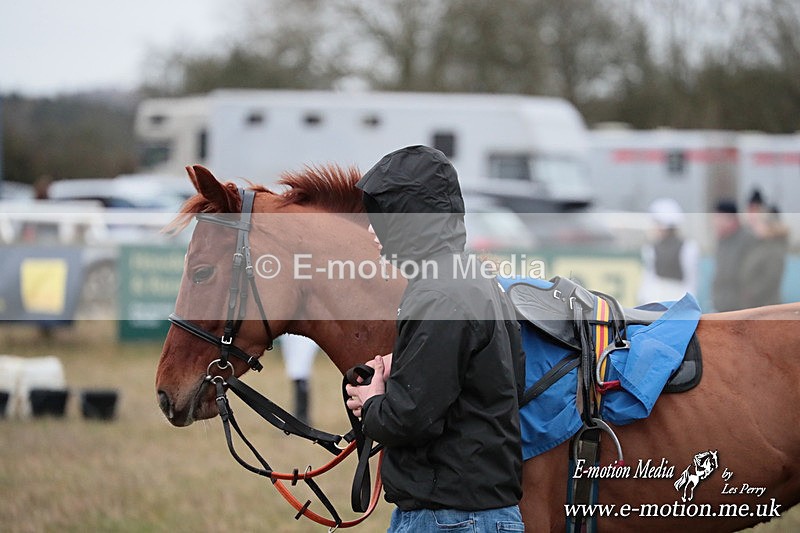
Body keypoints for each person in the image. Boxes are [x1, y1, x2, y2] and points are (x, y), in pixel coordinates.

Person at [345, 145, 525, 532]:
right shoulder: (476, 278)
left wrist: (372, 399)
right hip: (475, 514)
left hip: (448, 519)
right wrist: (406, 366)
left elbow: (406, 419)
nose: (373, 230)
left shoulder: (437, 294)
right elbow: (505, 381)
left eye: (385, 216)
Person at [638, 198, 700, 304]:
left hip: (677, 303)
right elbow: (649, 278)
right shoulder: (651, 248)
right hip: (655, 302)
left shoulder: (688, 247)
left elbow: (691, 281)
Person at [711, 199, 759, 311]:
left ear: (731, 219)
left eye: (718, 218)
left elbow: (752, 277)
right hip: (721, 306)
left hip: (741, 309)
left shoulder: (748, 239)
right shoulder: (721, 240)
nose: (715, 222)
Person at [741, 205, 790, 307]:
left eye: (758, 223)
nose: (755, 227)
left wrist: (750, 293)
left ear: (768, 225)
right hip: (754, 304)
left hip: (766, 306)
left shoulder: (774, 249)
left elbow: (771, 280)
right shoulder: (760, 245)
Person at [279, 334, 318, 424]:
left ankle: (302, 416)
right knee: (295, 371)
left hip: (303, 336)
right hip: (290, 334)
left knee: (300, 371)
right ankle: (300, 415)